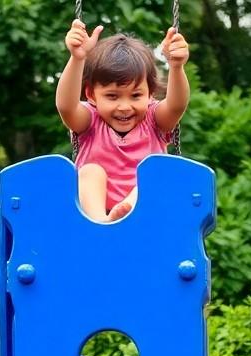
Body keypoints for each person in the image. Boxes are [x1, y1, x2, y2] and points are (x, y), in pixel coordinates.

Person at [56, 20, 190, 221]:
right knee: (90, 171)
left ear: (150, 94)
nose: (125, 106)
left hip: (147, 215)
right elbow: (66, 107)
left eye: (135, 95)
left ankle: (127, 214)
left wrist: (177, 67)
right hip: (97, 213)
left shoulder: (154, 120)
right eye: (112, 96)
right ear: (91, 95)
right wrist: (77, 58)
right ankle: (102, 224)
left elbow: (176, 106)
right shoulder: (90, 121)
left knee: (157, 171)